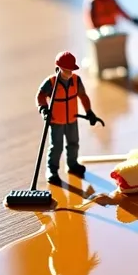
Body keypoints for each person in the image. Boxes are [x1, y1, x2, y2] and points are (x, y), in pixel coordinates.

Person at [36, 52, 102, 185]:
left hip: (72, 119)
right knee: (56, 147)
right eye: (67, 69)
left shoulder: (76, 80)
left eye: (71, 69)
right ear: (59, 68)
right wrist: (43, 109)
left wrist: (89, 112)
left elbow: (83, 96)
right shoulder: (51, 83)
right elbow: (40, 96)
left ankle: (72, 164)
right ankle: (52, 170)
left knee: (73, 143)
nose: (70, 72)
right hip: (56, 121)